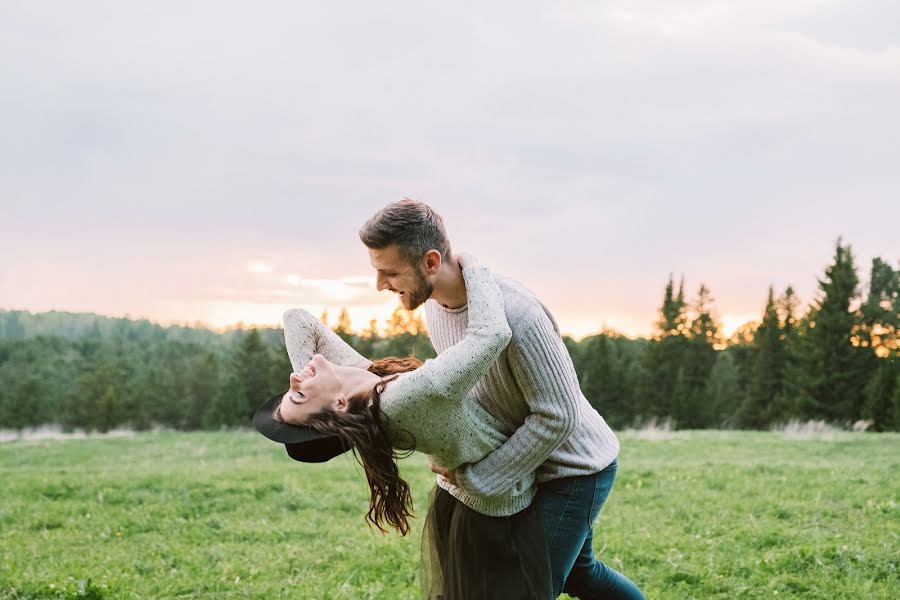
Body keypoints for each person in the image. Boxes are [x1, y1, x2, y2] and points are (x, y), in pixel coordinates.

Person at [359, 199, 645, 599]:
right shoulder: (437, 310)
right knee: (580, 572)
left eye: (389, 272)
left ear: (430, 261)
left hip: (574, 469)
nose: (381, 285)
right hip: (524, 463)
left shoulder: (517, 314)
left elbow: (557, 416)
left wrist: (480, 478)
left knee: (526, 589)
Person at [256, 253, 552, 600]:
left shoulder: (362, 385)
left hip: (468, 495)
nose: (293, 377)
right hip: (496, 510)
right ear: (338, 406)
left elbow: (297, 319)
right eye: (299, 394)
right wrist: (471, 265)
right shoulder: (404, 399)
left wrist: (311, 385)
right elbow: (492, 335)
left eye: (290, 389)